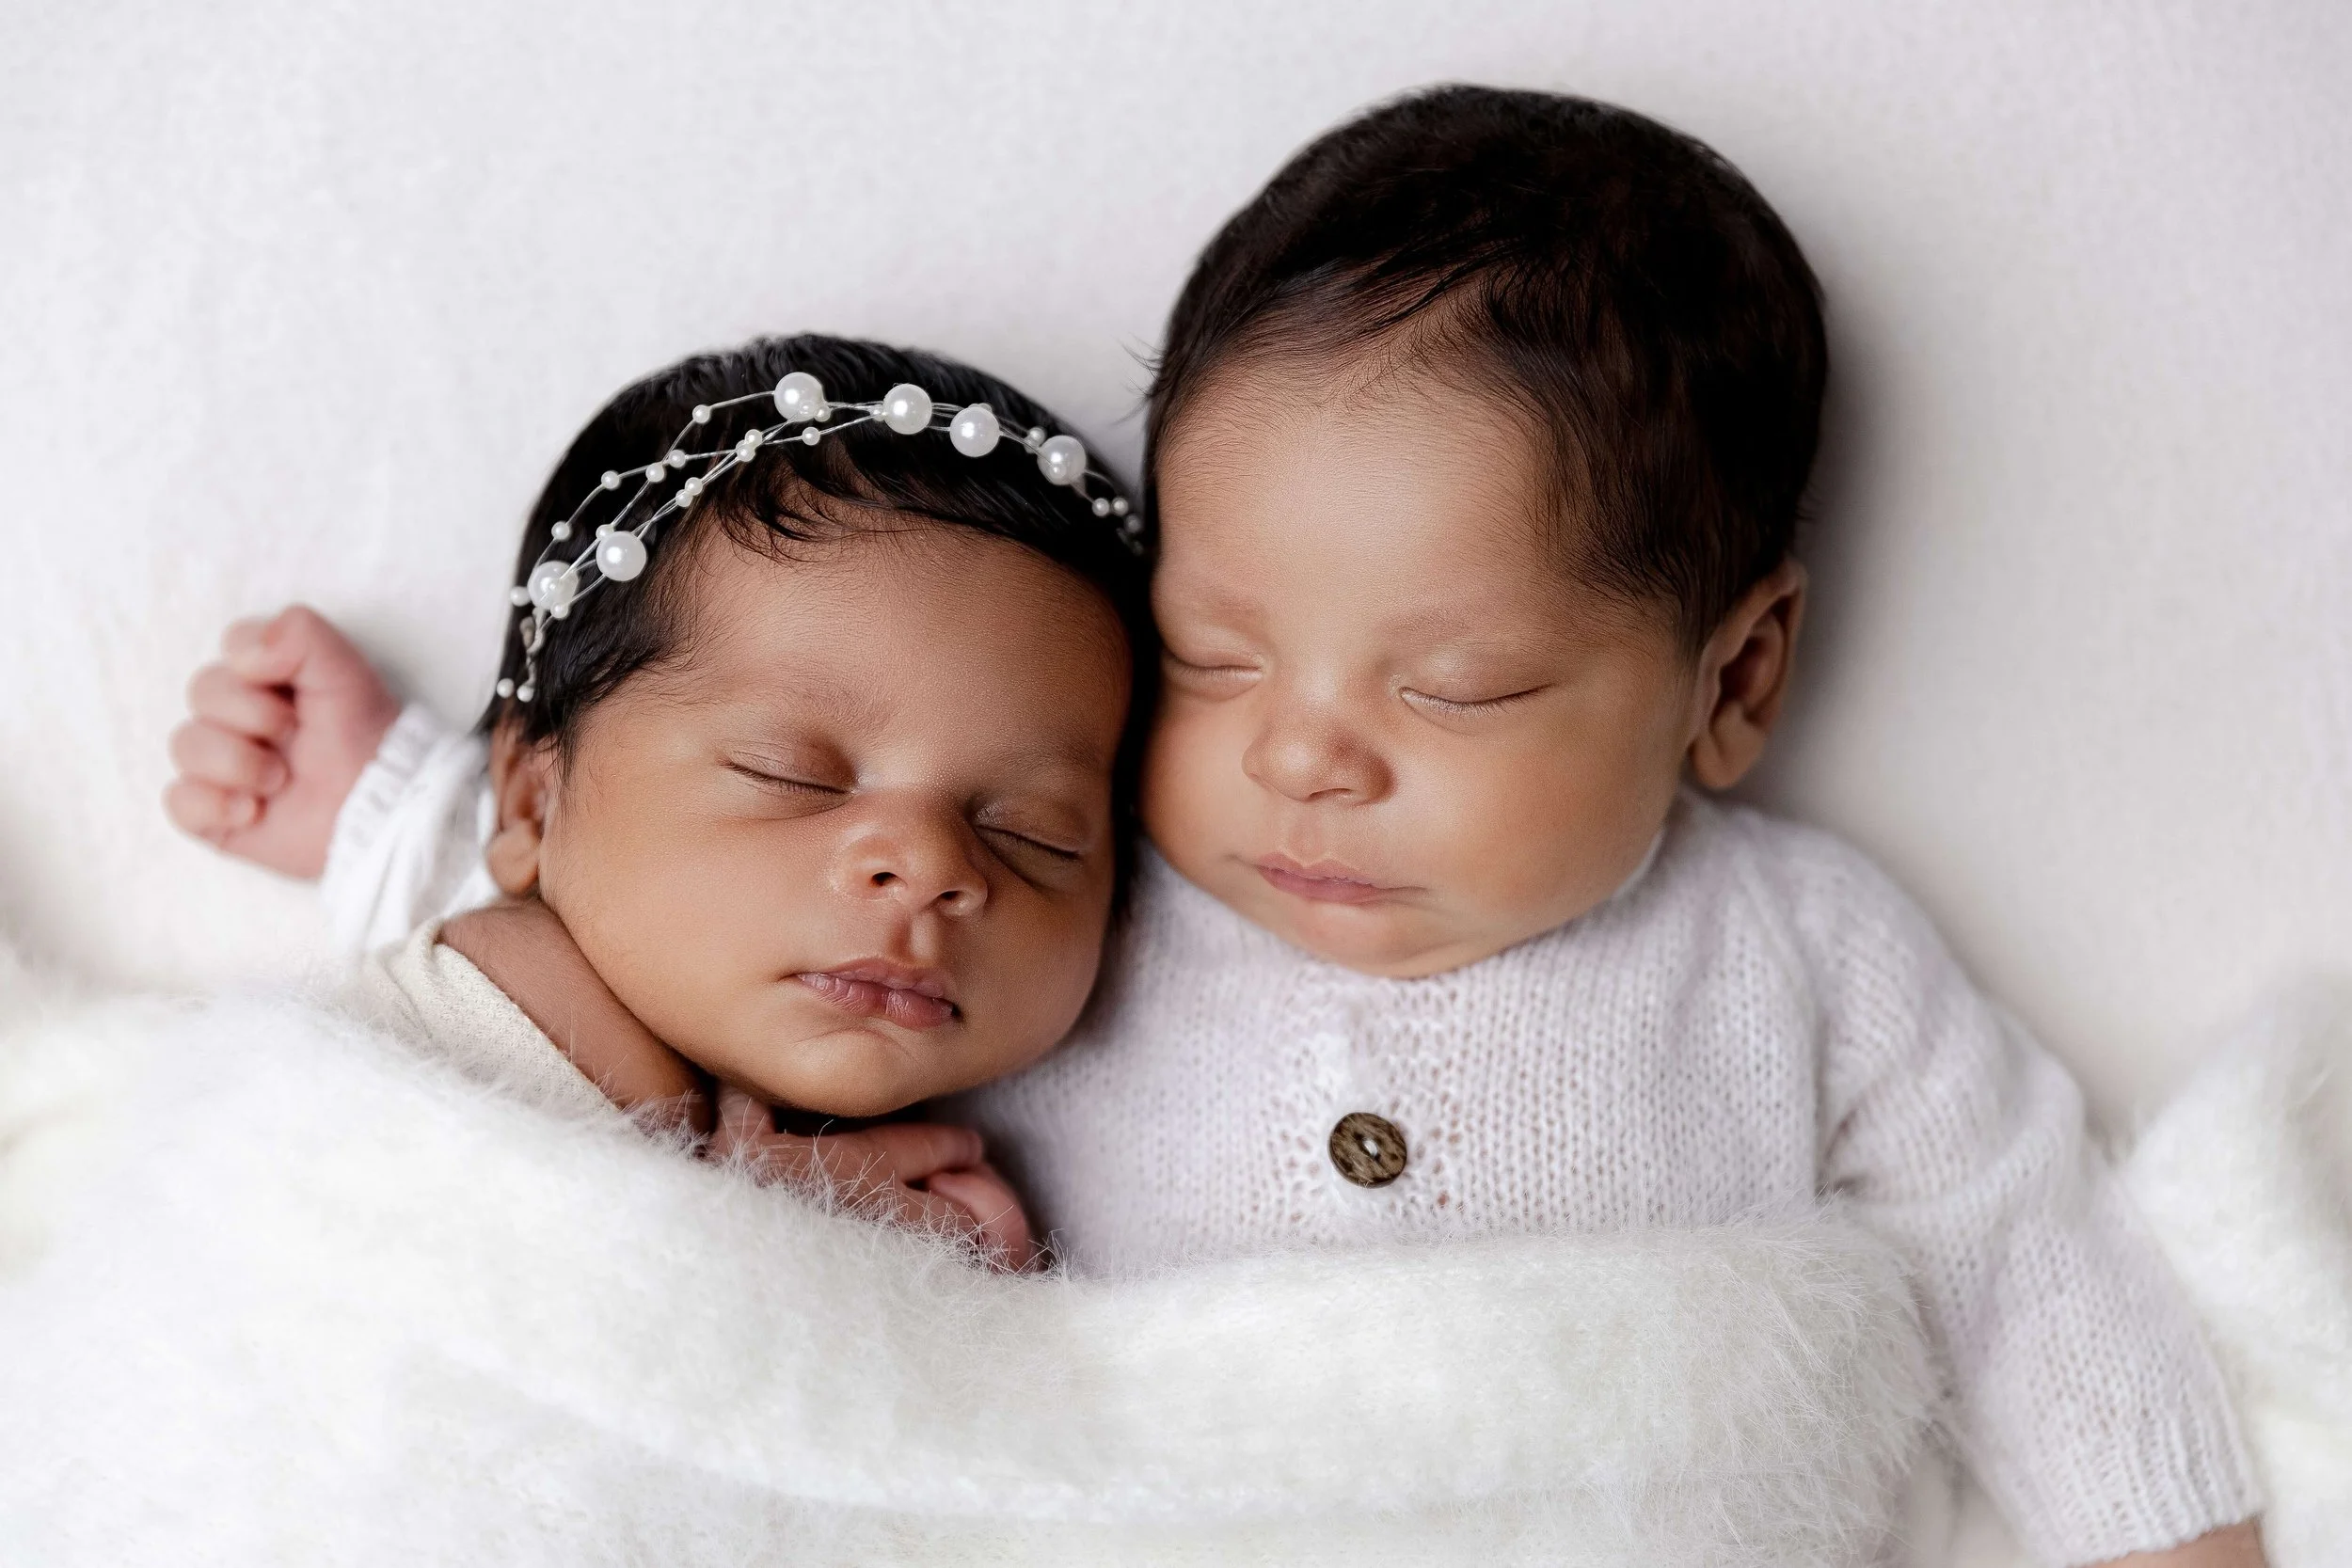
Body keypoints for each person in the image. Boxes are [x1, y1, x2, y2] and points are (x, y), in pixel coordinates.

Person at [168, 88, 2263, 1565]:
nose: (1299, 761)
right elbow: (681, 925)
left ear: (1726, 682)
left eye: (1450, 684)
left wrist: (2161, 1532)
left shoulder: (1803, 949)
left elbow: (2016, 1252)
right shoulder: (1067, 877)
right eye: (1218, 655)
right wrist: (405, 810)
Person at [171, 333, 1154, 1270]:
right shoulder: (522, 984)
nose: (934, 863)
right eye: (790, 773)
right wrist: (762, 1234)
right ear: (527, 800)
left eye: (1034, 832)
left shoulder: (979, 1201)